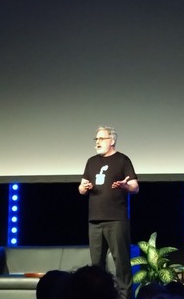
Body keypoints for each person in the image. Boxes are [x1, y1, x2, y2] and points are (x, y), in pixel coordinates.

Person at [79, 125, 139, 299]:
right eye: (96, 139)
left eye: (101, 139)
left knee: (121, 263)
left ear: (111, 141)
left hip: (116, 220)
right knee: (96, 266)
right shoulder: (91, 161)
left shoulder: (122, 160)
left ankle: (125, 296)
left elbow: (135, 187)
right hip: (95, 220)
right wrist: (84, 187)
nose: (97, 142)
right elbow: (81, 188)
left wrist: (124, 185)